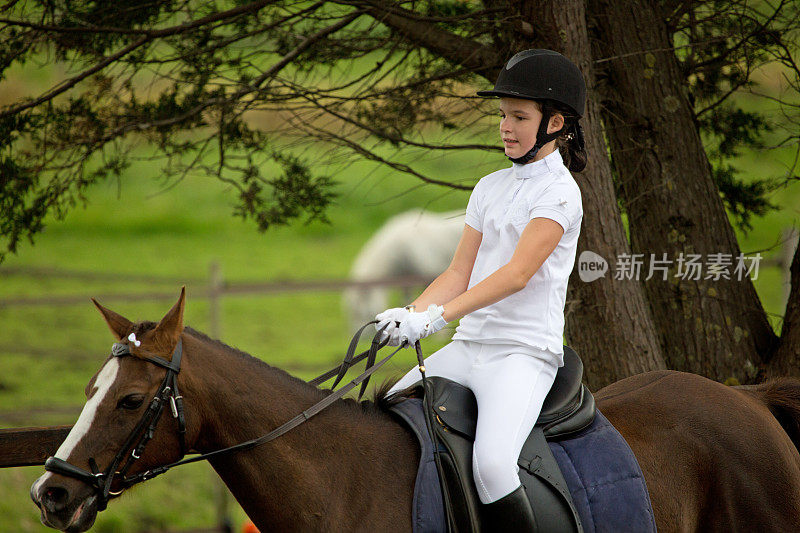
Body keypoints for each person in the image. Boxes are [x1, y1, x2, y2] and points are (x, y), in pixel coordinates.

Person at [375, 49, 587, 531]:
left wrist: (435, 318)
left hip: (522, 354)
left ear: (554, 122)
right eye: (502, 116)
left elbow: (516, 274)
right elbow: (458, 272)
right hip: (469, 345)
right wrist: (408, 314)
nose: (506, 127)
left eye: (519, 117)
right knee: (385, 415)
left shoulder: (559, 192)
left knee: (492, 467)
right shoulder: (489, 187)